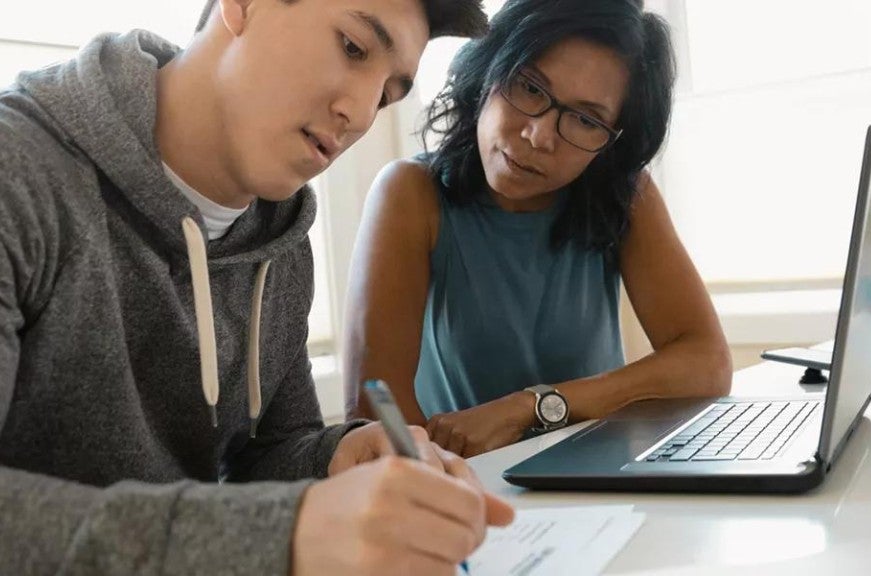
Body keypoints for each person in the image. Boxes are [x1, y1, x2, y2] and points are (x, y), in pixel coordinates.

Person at [0, 0, 513, 574]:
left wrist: (336, 457)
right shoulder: (19, 173)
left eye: (389, 94)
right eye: (352, 47)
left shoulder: (281, 243)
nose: (361, 113)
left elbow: (263, 456)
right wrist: (284, 534)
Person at [343, 0, 733, 458]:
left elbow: (707, 361)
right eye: (530, 88)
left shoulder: (624, 195)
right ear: (489, 68)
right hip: (466, 489)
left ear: (612, 143)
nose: (539, 136)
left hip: (602, 478)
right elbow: (375, 410)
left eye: (586, 120)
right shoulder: (411, 194)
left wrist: (532, 407)